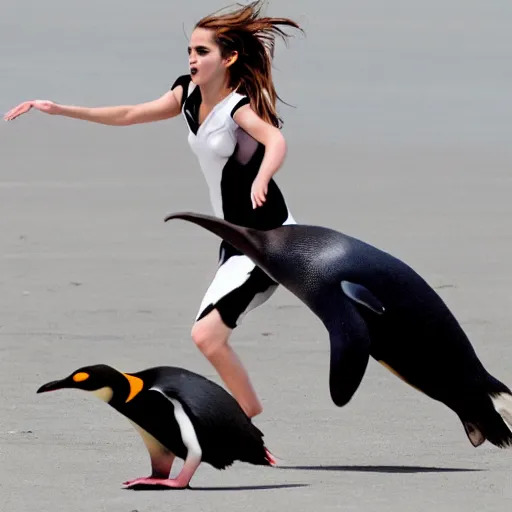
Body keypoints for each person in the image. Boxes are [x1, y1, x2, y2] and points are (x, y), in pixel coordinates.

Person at [4, 0, 304, 419]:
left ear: (229, 57)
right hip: (233, 242)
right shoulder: (187, 93)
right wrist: (61, 109)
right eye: (190, 51)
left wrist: (261, 177)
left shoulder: (237, 108)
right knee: (208, 338)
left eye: (202, 52)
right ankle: (248, 413)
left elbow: (275, 140)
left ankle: (245, 415)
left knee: (207, 337)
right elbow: (129, 114)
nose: (192, 59)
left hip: (266, 240)